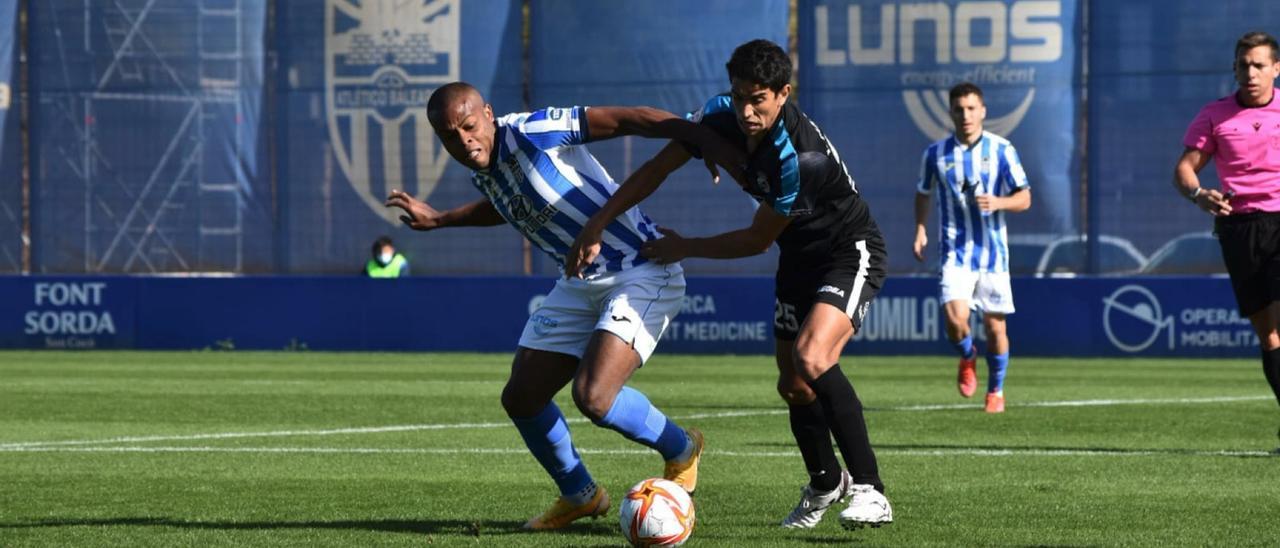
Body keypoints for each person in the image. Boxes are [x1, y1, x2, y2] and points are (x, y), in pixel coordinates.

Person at [385, 81, 746, 530]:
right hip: (579, 281)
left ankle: (682, 448)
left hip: (642, 267)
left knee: (594, 397)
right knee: (522, 397)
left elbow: (626, 118)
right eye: (449, 136)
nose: (463, 140)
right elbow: (505, 206)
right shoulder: (487, 168)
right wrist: (439, 219)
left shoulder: (535, 130)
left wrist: (700, 138)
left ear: (488, 113)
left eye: (469, 126)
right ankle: (580, 495)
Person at [567, 39, 892, 530]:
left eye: (757, 99)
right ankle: (826, 483)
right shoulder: (720, 114)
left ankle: (871, 490)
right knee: (793, 386)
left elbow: (757, 240)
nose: (745, 109)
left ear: (783, 93)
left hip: (847, 251)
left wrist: (686, 245)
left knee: (813, 357)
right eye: (738, 95)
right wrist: (597, 223)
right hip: (799, 259)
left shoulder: (799, 158)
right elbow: (659, 167)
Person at [1174, 31, 1280, 453]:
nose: (1250, 73)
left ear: (1276, 68)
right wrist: (1199, 194)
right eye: (1243, 65)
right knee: (1270, 336)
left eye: (1258, 65)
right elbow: (1184, 169)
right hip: (1239, 228)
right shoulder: (1215, 115)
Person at [911, 82, 1032, 414]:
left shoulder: (1002, 150)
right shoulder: (935, 154)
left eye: (971, 108)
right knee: (955, 319)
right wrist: (920, 228)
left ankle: (996, 391)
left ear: (983, 111)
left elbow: (1025, 198)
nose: (965, 115)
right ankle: (967, 355)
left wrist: (999, 201)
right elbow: (923, 192)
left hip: (993, 255)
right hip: (955, 252)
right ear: (950, 112)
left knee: (995, 327)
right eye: (959, 109)